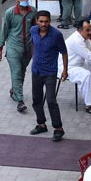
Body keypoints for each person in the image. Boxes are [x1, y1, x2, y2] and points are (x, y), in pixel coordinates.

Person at [29, 11, 68, 141]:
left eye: (46, 21)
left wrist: (65, 70)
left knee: (51, 100)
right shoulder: (33, 30)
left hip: (50, 72)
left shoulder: (57, 35)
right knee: (36, 99)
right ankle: (41, 124)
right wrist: (34, 58)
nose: (44, 24)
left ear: (50, 21)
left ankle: (58, 128)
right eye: (41, 21)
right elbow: (34, 45)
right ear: (37, 21)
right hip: (36, 71)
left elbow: (64, 52)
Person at [0, 0, 36, 113]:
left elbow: (36, 30)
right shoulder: (10, 13)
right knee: (17, 71)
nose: (25, 0)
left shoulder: (33, 11)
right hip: (14, 48)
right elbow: (4, 31)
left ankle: (14, 90)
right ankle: (20, 101)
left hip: (28, 48)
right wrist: (0, 48)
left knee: (22, 72)